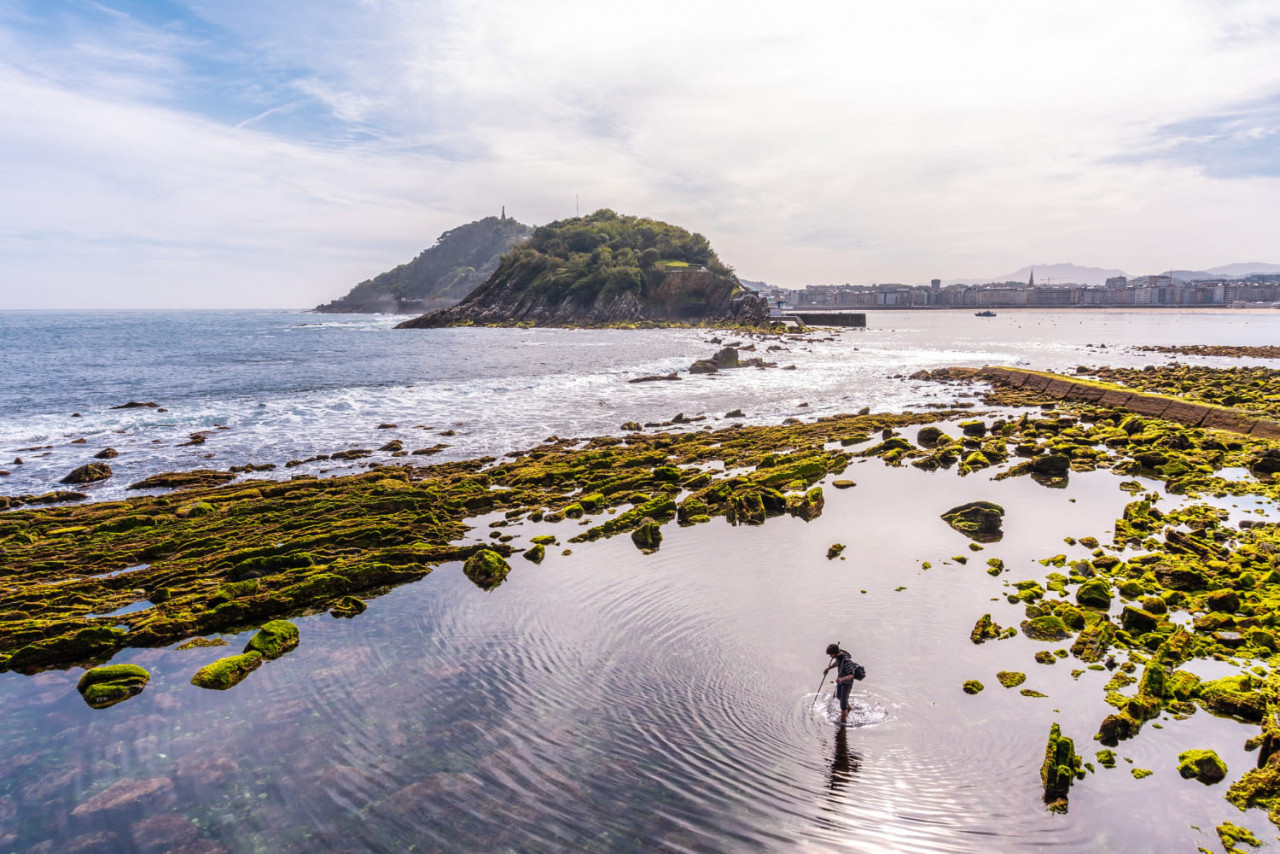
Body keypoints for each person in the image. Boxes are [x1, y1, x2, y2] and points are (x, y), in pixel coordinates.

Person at [824, 643, 857, 724]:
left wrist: (842, 679)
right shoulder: (839, 656)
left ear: (835, 653)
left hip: (846, 683)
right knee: (839, 696)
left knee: (842, 705)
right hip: (840, 681)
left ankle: (843, 723)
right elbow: (837, 663)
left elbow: (851, 675)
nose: (830, 656)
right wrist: (829, 668)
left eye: (831, 654)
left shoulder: (846, 661)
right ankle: (848, 708)